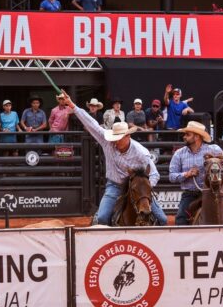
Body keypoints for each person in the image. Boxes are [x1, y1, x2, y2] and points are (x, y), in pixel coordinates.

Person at [61, 90, 167, 226]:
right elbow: (91, 123)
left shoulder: (141, 152)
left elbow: (154, 174)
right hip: (115, 185)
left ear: (128, 136)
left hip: (138, 188)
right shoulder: (107, 141)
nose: (115, 142)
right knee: (102, 218)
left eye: (119, 138)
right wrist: (72, 105)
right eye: (114, 138)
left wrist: (143, 187)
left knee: (163, 220)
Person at [169, 121, 223, 225]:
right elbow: (171, 176)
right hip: (191, 194)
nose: (184, 137)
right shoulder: (179, 154)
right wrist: (187, 174)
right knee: (181, 219)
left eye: (187, 134)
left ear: (197, 137)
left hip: (214, 192)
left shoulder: (213, 149)